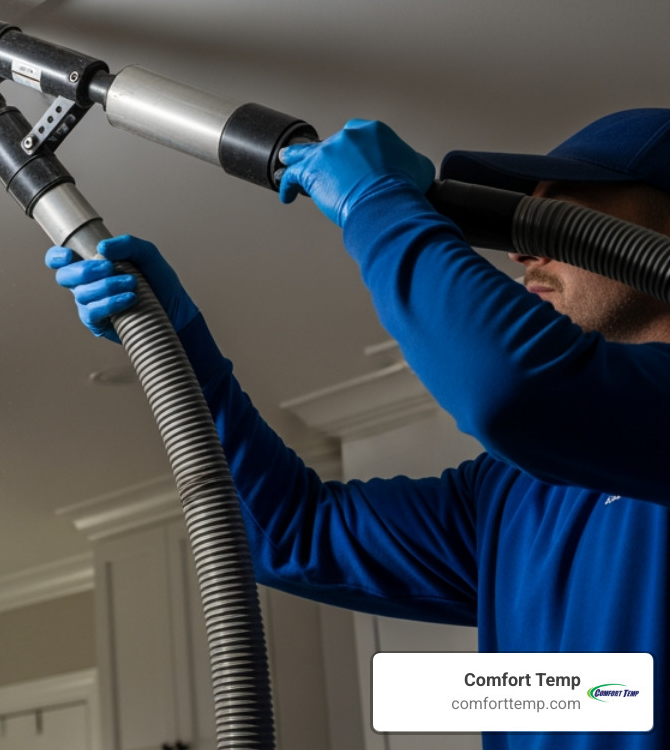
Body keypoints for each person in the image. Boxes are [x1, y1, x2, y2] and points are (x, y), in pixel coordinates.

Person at [47, 110, 670, 750]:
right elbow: (287, 532)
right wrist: (177, 348)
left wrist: (377, 201)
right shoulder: (513, 493)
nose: (519, 250)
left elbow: (508, 386)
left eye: (560, 214)